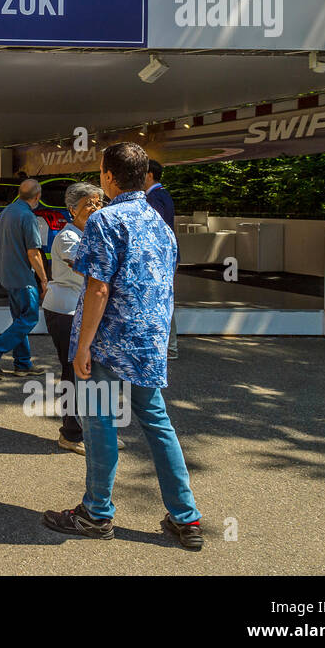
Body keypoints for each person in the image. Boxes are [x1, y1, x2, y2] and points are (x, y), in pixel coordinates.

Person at [41, 142, 203, 550]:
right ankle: (186, 517)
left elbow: (97, 288)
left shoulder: (105, 221)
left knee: (99, 423)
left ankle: (96, 513)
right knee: (158, 424)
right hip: (149, 342)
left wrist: (82, 347)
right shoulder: (159, 222)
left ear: (109, 176)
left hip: (110, 342)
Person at [42, 182, 104, 454]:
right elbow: (90, 270)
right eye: (89, 204)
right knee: (73, 373)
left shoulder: (94, 235)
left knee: (93, 374)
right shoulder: (67, 238)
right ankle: (70, 433)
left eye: (99, 203)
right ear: (71, 210)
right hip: (65, 311)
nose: (95, 208)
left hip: (85, 311)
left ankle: (97, 433)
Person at [0, 179, 48, 378]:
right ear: (37, 196)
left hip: (6, 273)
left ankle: (22, 364)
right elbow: (33, 253)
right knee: (30, 318)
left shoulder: (7, 211)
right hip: (22, 276)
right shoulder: (27, 216)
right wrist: (44, 279)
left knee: (20, 318)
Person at [145, 158, 179, 360]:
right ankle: (167, 346)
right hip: (166, 257)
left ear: (149, 175)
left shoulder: (154, 198)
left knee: (161, 301)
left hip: (160, 259)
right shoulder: (162, 194)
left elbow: (155, 231)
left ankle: (169, 347)